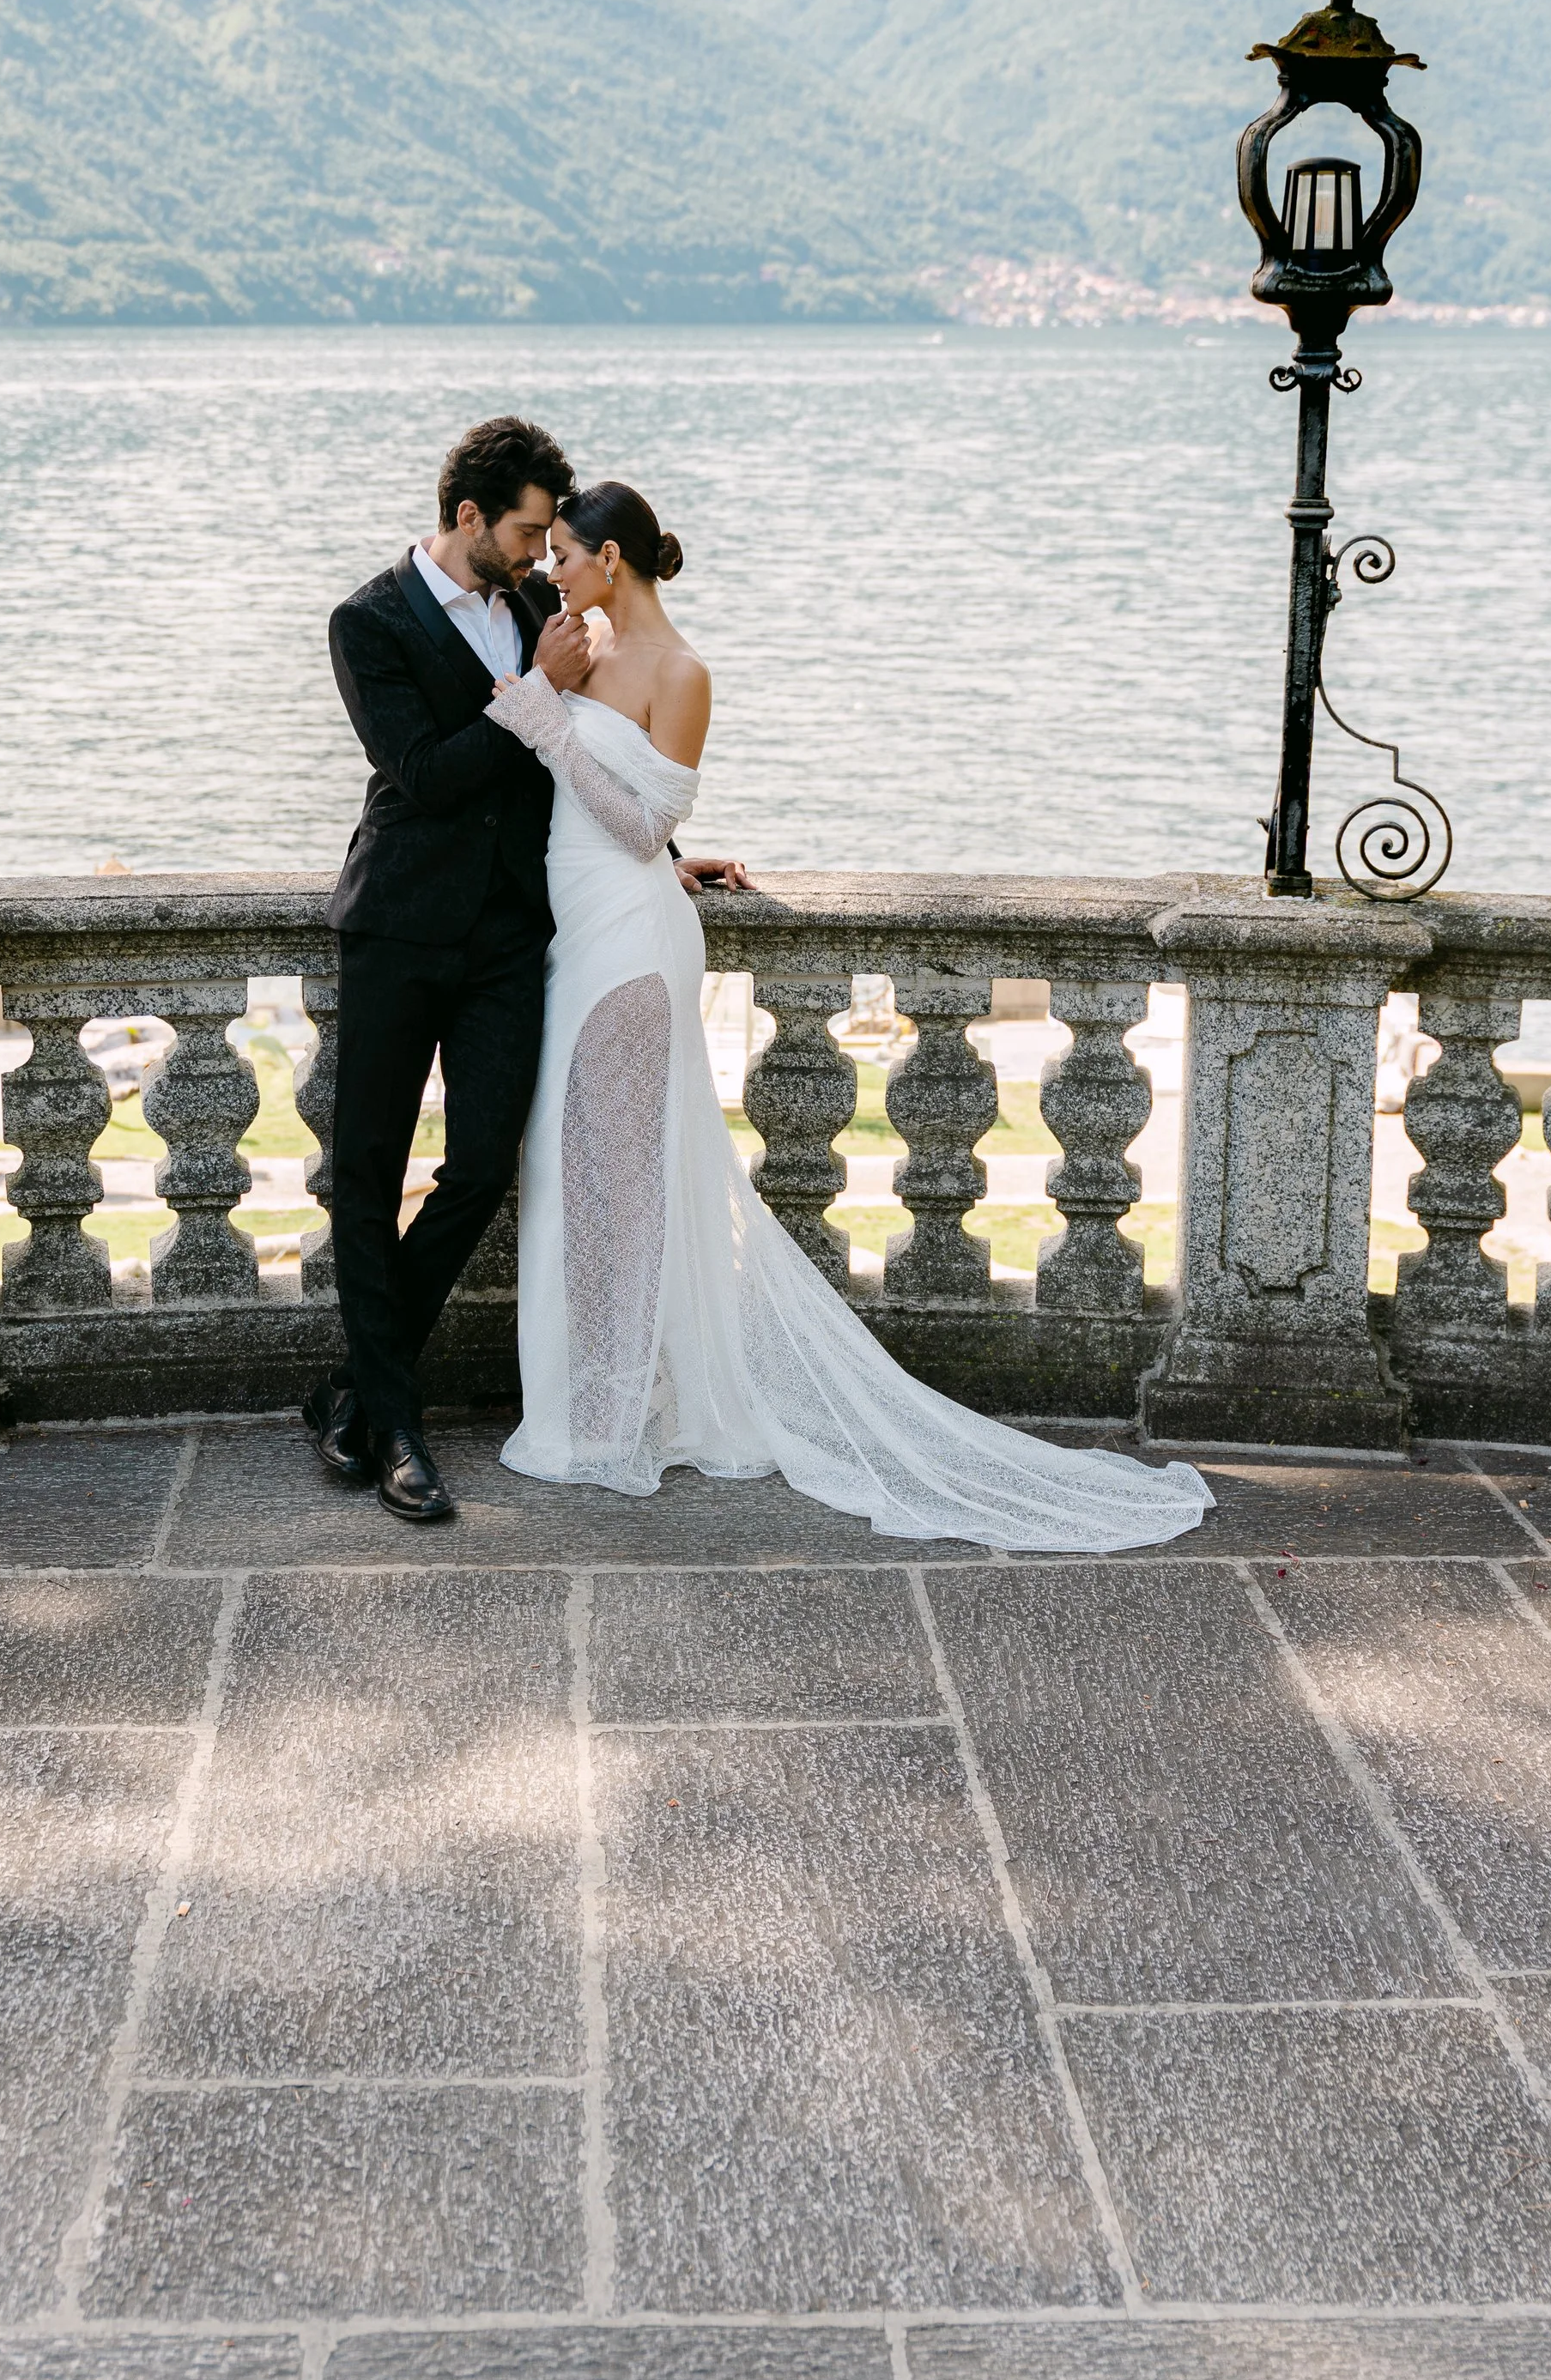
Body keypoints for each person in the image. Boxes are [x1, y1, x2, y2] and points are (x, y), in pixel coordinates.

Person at [481, 479, 1215, 1551]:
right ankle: (609, 1396)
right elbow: (621, 827)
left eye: (564, 554)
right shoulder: (583, 655)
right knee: (579, 1171)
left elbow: (635, 823)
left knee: (619, 1178)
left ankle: (608, 1415)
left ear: (612, 560)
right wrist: (655, 833)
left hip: (628, 948)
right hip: (588, 929)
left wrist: (548, 725)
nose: (549, 570)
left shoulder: (681, 673)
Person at [312, 415, 589, 1523]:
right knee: (368, 1173)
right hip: (397, 926)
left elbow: (557, 769)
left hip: (508, 939)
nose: (537, 553)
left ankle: (356, 1390)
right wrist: (537, 691)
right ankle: (398, 1427)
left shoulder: (533, 611)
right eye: (524, 531)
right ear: (467, 514)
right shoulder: (367, 620)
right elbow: (424, 774)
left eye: (544, 536)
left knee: (479, 1163)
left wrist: (663, 855)